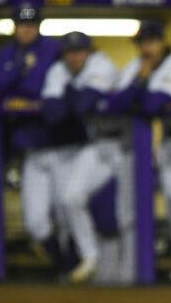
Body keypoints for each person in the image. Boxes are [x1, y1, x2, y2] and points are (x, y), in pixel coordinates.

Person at [112, 19, 171, 283]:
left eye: (153, 41)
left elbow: (155, 104)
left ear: (162, 42)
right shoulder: (137, 68)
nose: (148, 48)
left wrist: (138, 89)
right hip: (168, 142)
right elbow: (116, 102)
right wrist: (141, 82)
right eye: (143, 42)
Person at [0, 2, 62, 269]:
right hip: (30, 148)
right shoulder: (7, 52)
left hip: (62, 147)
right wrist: (19, 69)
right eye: (21, 25)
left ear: (38, 26)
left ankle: (77, 270)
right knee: (36, 222)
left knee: (68, 210)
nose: (26, 30)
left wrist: (15, 81)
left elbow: (38, 87)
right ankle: (66, 265)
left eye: (31, 25)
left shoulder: (52, 48)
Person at [42, 31, 120, 284]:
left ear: (89, 51)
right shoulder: (58, 70)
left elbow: (81, 105)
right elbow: (52, 114)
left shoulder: (103, 65)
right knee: (70, 197)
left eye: (80, 51)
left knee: (126, 214)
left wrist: (67, 95)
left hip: (126, 144)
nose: (75, 56)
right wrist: (71, 99)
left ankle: (133, 273)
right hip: (96, 142)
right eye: (70, 52)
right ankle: (90, 258)